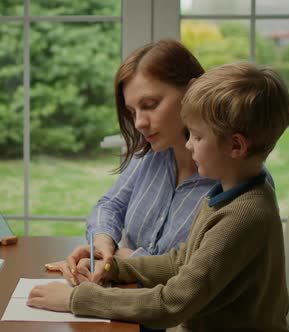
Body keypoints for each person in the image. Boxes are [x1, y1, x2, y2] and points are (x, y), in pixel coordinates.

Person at [27, 62, 289, 331]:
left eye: (197, 137)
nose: (188, 144)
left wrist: (75, 298)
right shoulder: (227, 195)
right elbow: (179, 261)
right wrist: (115, 267)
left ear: (236, 145)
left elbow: (171, 304)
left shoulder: (242, 217)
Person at [48, 39, 217, 284]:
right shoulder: (152, 154)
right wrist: (103, 245)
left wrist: (125, 259)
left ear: (193, 92)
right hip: (131, 305)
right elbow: (109, 205)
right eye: (132, 111)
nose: (139, 123)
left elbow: (188, 278)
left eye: (150, 105)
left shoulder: (231, 177)